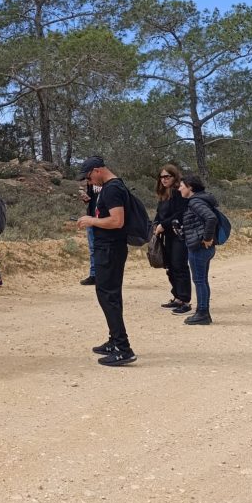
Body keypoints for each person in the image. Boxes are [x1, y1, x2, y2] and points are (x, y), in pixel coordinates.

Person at [76, 156, 137, 367]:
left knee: (108, 296)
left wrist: (90, 220)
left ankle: (123, 348)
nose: (90, 182)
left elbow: (117, 221)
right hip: (109, 248)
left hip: (110, 249)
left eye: (89, 177)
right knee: (109, 295)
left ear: (97, 170)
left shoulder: (112, 189)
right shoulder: (111, 188)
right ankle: (114, 341)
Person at [178, 174, 220, 326]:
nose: (179, 188)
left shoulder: (195, 201)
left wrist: (207, 238)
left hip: (199, 248)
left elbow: (211, 218)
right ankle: (203, 312)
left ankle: (202, 313)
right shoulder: (202, 199)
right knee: (202, 280)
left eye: (181, 186)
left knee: (199, 281)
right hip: (204, 248)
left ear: (190, 187)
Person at [154, 164, 192, 314]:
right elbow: (159, 213)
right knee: (170, 266)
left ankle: (185, 300)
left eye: (167, 176)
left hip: (179, 234)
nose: (164, 180)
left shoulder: (178, 193)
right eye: (161, 177)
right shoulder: (164, 194)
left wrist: (164, 224)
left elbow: (181, 213)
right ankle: (177, 297)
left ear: (174, 177)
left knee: (179, 266)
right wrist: (155, 224)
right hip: (167, 235)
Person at [78, 181, 99, 286]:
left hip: (103, 219)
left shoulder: (107, 183)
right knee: (92, 248)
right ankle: (94, 275)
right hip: (91, 217)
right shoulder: (90, 183)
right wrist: (85, 198)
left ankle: (103, 275)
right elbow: (90, 200)